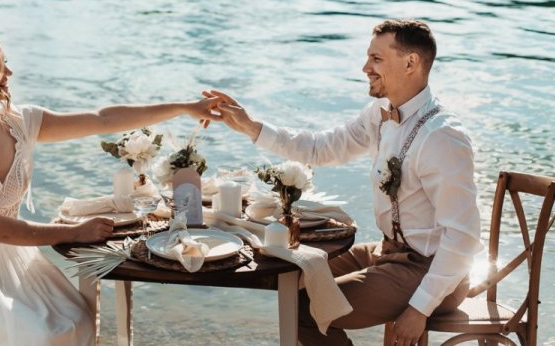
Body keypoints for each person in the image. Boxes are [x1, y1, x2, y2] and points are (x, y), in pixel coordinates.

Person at [0, 28, 220, 346]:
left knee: (76, 320)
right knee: (37, 336)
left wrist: (184, 108)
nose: (9, 71)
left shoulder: (18, 121)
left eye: (5, 61)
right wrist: (73, 232)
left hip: (14, 262)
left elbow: (102, 119)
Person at [205, 19, 482, 346]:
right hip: (388, 252)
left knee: (306, 309)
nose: (365, 67)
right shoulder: (379, 112)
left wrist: (420, 308)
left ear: (411, 63)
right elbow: (320, 148)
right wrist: (251, 127)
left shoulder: (442, 138)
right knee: (296, 273)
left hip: (430, 269)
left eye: (376, 59)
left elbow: (463, 238)